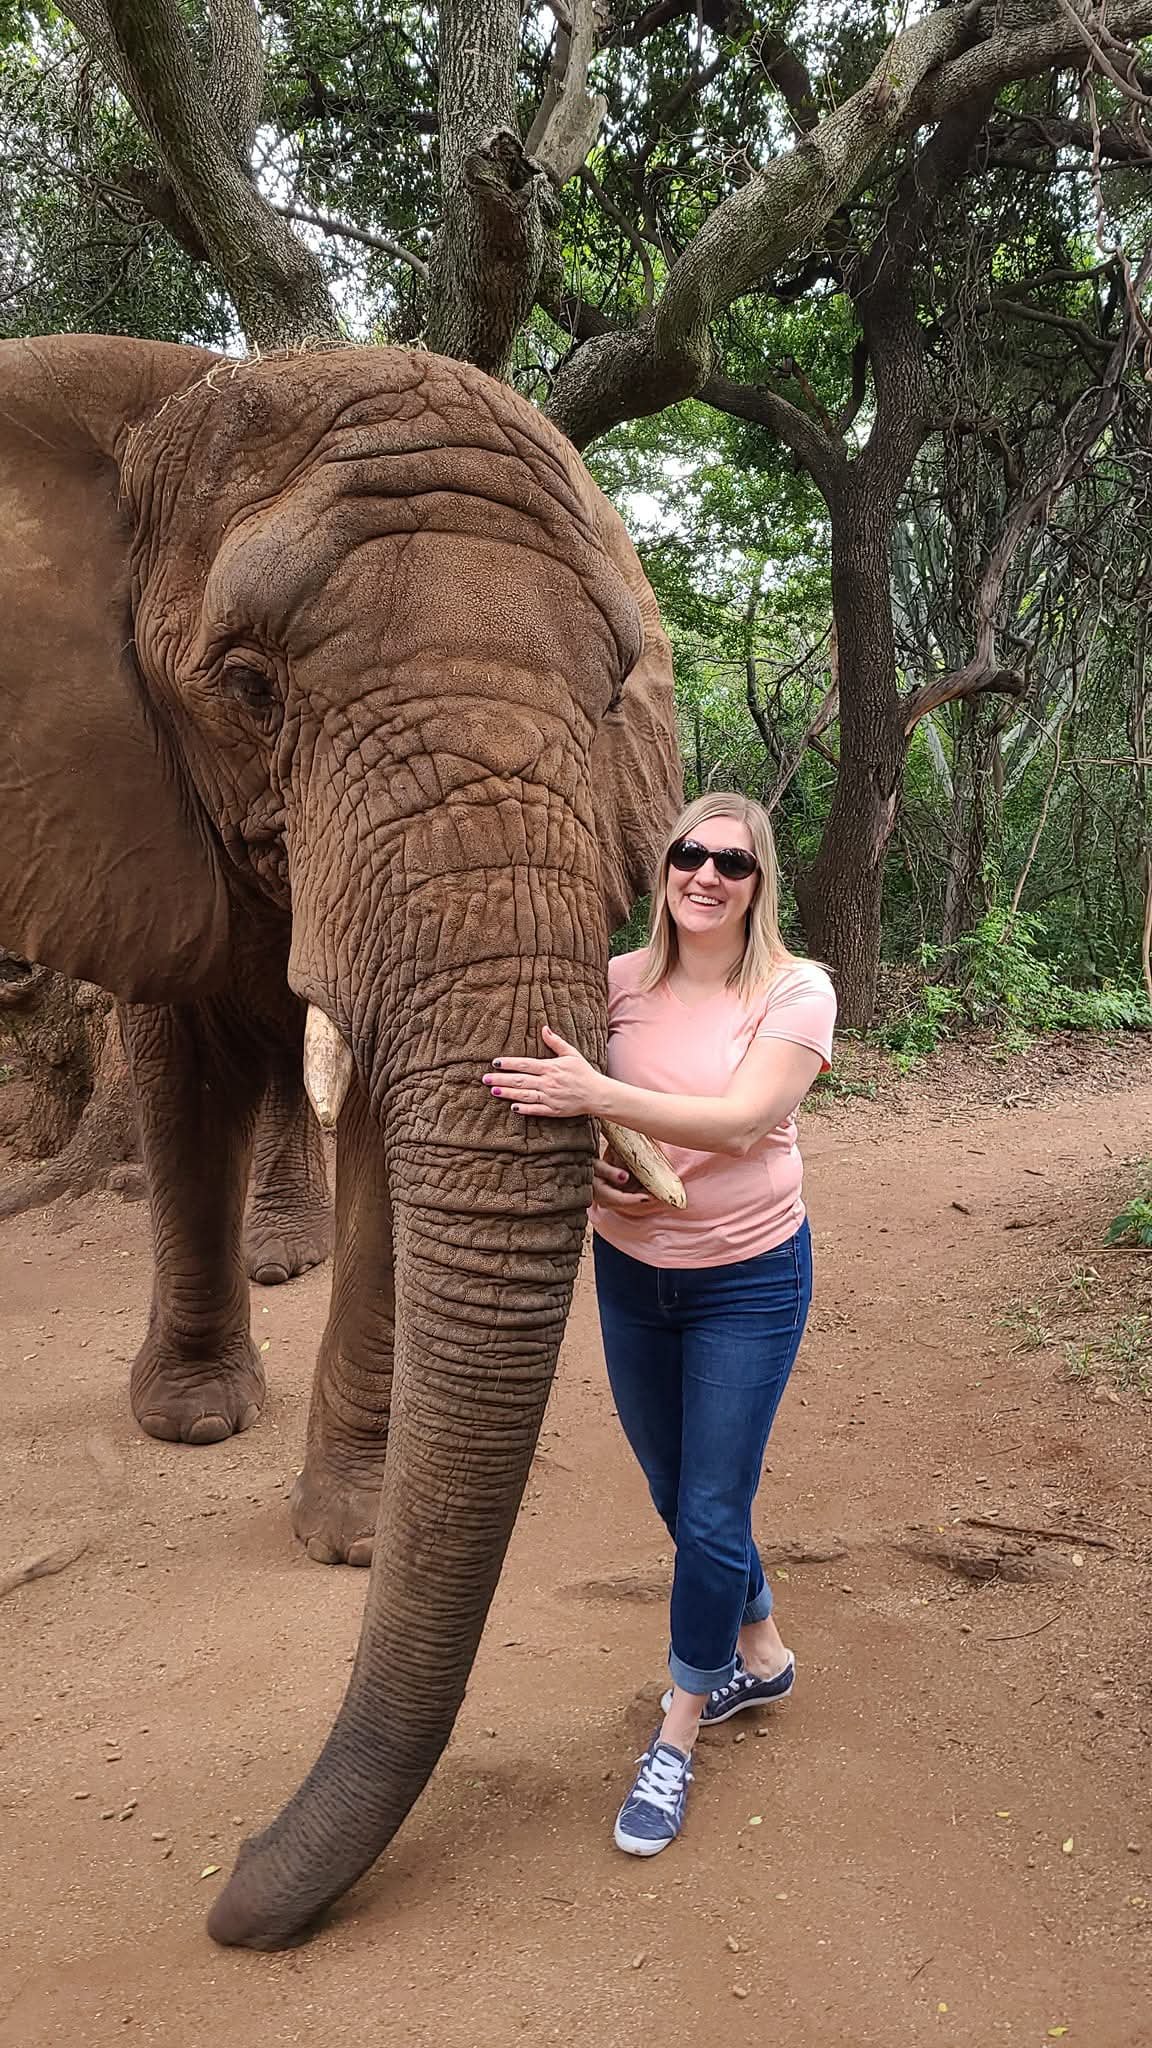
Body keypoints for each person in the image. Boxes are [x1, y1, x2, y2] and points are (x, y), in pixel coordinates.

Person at [482, 792, 836, 1857]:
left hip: (750, 1280)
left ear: (758, 881)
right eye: (691, 853)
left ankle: (680, 1726)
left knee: (713, 1508)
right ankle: (761, 1649)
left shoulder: (795, 988)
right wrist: (599, 1152)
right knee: (676, 1493)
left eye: (733, 860)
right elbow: (592, 1121)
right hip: (633, 1273)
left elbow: (740, 1120)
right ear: (666, 867)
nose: (707, 874)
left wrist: (602, 1092)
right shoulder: (615, 985)